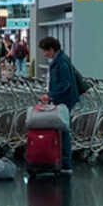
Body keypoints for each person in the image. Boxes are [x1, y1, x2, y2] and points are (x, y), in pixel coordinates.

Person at [38, 35, 80, 173]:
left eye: (45, 51)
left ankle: (66, 163)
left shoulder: (61, 63)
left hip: (65, 100)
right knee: (62, 130)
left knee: (64, 130)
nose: (44, 54)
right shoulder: (60, 60)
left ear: (51, 49)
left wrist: (50, 95)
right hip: (63, 99)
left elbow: (65, 84)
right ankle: (62, 161)